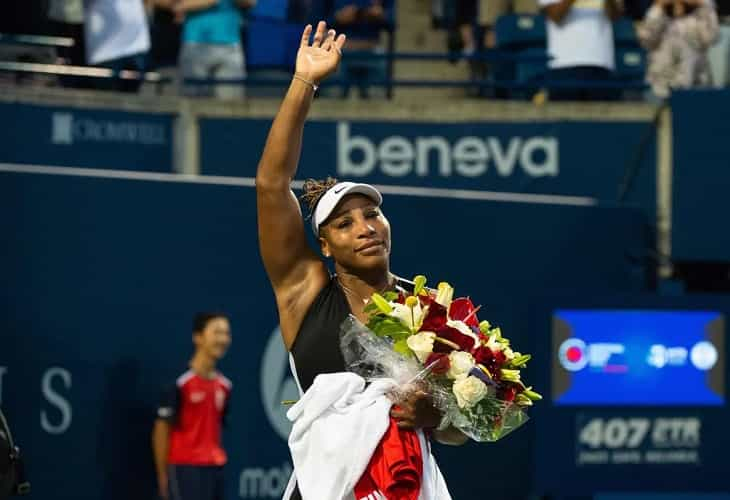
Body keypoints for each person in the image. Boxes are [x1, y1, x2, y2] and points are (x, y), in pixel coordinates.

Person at [255, 20, 467, 500]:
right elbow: (271, 185)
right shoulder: (304, 291)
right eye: (345, 224)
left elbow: (465, 424)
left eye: (371, 214)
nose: (365, 227)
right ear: (324, 246)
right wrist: (304, 82)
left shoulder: (430, 309)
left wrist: (441, 419)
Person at [152, 313, 233, 500]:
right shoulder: (179, 383)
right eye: (217, 332)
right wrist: (163, 475)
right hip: (184, 469)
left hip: (215, 468)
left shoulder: (225, 386)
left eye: (226, 333)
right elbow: (161, 431)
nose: (223, 339)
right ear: (198, 337)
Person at [539, 0, 624, 100]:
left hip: (602, 65)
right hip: (563, 66)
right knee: (563, 114)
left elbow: (616, 16)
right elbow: (556, 15)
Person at [637, 0, 719, 99]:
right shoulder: (659, 14)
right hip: (660, 87)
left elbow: (712, 38)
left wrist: (703, 4)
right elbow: (646, 40)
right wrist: (658, 7)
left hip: (695, 86)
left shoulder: (698, 15)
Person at [175, 0, 256, 99]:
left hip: (230, 45)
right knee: (191, 105)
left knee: (232, 106)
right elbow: (178, 5)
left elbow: (250, 2)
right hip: (194, 45)